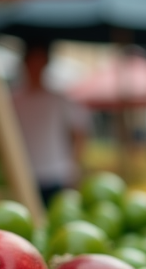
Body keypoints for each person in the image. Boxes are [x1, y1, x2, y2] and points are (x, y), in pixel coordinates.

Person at [11, 40, 90, 204]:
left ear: (46, 63)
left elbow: (79, 133)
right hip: (24, 175)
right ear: (25, 63)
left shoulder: (59, 99)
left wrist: (73, 168)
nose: (36, 67)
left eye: (40, 61)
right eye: (32, 61)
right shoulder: (13, 100)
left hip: (57, 174)